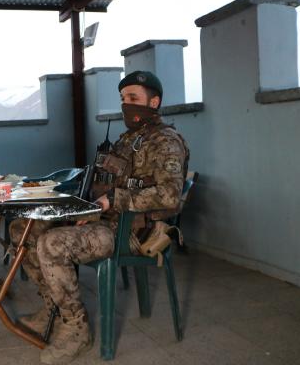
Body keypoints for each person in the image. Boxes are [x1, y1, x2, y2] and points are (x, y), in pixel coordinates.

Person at [10, 70, 189, 364]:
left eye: (134, 98)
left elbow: (169, 196)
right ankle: (52, 309)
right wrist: (89, 208)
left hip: (132, 231)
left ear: (154, 102)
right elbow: (108, 184)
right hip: (104, 221)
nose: (126, 104)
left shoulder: (165, 141)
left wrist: (113, 200)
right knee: (23, 228)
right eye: (123, 98)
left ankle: (76, 329)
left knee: (52, 244)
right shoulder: (127, 140)